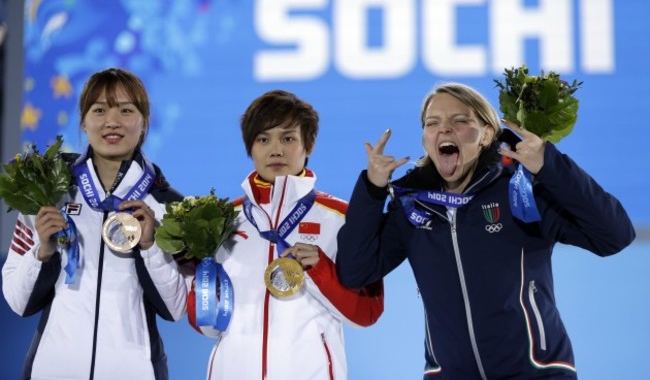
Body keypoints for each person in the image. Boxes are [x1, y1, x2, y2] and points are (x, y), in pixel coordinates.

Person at [335, 82, 635, 379]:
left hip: (536, 373)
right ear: (425, 138)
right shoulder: (413, 207)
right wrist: (372, 191)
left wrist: (550, 165)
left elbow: (614, 235)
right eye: (432, 123)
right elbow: (355, 272)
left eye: (460, 121)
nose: (444, 129)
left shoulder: (521, 192)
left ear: (487, 134)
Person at [2, 68, 187, 380]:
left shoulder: (167, 205)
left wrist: (150, 247)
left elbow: (176, 308)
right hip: (54, 370)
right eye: (99, 110)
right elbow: (19, 302)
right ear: (84, 122)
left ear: (143, 124)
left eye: (126, 110)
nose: (111, 122)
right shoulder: (47, 192)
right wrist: (42, 252)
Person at [187, 89, 384, 380]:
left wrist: (320, 270)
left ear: (310, 144)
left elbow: (367, 312)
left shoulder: (343, 218)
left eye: (288, 138)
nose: (276, 150)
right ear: (250, 148)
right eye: (263, 139)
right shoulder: (221, 219)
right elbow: (205, 323)